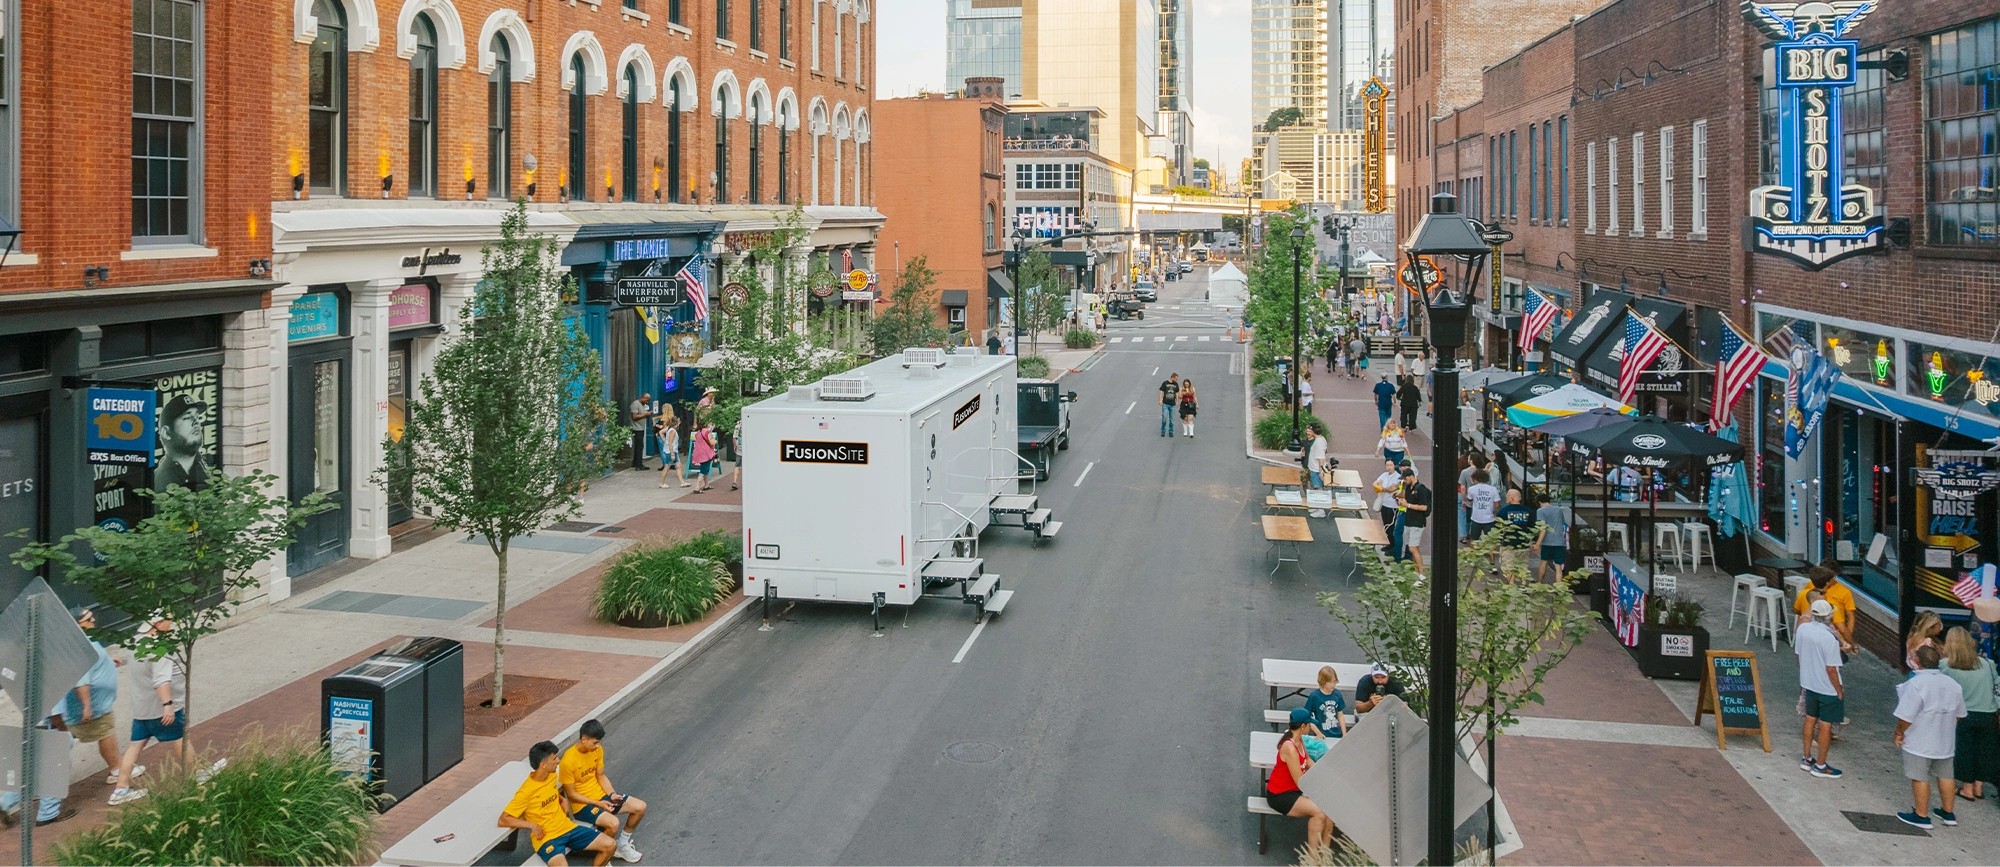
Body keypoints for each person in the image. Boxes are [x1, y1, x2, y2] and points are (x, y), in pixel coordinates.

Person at [502, 741, 615, 867]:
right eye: (554, 758)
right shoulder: (525, 792)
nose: (558, 761)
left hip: (568, 827)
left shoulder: (551, 776)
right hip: (548, 838)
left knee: (610, 845)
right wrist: (532, 825)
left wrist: (562, 799)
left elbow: (551, 792)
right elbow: (504, 819)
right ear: (543, 764)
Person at [1894, 645, 1967, 829]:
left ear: (1917, 661)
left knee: (1919, 776)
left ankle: (1921, 815)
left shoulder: (1916, 684)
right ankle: (1948, 813)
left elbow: (1906, 716)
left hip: (1920, 740)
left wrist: (1899, 732)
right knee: (1946, 776)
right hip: (1945, 741)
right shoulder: (1953, 684)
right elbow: (1959, 714)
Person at [65, 607, 132, 804]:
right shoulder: (80, 648)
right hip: (92, 707)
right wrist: (87, 706)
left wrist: (107, 662)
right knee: (105, 734)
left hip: (99, 704)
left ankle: (117, 766)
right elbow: (81, 681)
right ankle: (116, 769)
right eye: (88, 619)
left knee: (105, 732)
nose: (94, 620)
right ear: (78, 625)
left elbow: (94, 662)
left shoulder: (88, 641)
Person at [561, 720, 647, 862]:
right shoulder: (568, 761)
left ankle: (622, 844)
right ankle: (604, 855)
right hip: (583, 805)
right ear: (584, 739)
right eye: (595, 742)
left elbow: (600, 776)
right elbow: (572, 795)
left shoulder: (597, 750)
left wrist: (612, 794)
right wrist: (598, 803)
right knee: (613, 824)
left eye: (599, 742)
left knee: (640, 807)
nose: (598, 746)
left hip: (601, 796)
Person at [1940, 627, 1998, 803]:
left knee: (1964, 750)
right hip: (1988, 714)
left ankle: (1967, 788)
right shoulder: (1987, 664)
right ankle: (1979, 787)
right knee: (1983, 750)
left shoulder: (1945, 665)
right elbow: (1997, 683)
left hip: (1963, 715)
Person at [1267, 709, 1335, 849]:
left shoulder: (1299, 740)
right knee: (1319, 812)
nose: (1311, 727)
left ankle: (1325, 856)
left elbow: (1308, 761)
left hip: (1294, 790)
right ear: (1303, 726)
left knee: (1329, 808)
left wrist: (1325, 773)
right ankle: (1313, 859)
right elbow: (1300, 780)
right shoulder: (1289, 747)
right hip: (1280, 795)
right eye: (1309, 724)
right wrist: (1320, 788)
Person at [1795, 599, 1846, 780]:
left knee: (1809, 719)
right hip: (1827, 688)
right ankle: (1821, 765)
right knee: (1826, 725)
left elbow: (1799, 655)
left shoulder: (1803, 629)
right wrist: (1839, 690)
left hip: (1809, 683)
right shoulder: (1829, 638)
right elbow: (1831, 669)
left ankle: (1807, 757)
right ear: (1829, 616)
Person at [1791, 566, 1857, 653]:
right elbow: (1841, 628)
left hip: (1807, 639)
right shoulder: (1831, 602)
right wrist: (1852, 644)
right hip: (1826, 642)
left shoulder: (1804, 594)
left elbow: (1796, 610)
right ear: (1827, 583)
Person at [154, 395, 210, 493]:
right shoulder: (160, 479)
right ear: (166, 433)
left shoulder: (208, 466)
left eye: (197, 416)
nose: (196, 421)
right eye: (187, 417)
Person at [1532, 493, 1572, 583]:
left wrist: (1537, 543)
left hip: (1547, 542)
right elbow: (1562, 522)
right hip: (1559, 541)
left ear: (1539, 502)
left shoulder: (1540, 511)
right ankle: (1559, 586)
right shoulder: (1558, 510)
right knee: (1558, 566)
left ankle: (1539, 582)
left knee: (1544, 562)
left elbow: (1543, 528)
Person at [1397, 468, 1431, 573]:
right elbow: (1406, 499)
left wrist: (1408, 505)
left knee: (1413, 548)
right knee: (1413, 547)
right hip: (1409, 520)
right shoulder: (1408, 488)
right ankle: (1416, 571)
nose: (1404, 481)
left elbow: (1424, 507)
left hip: (1417, 522)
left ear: (1411, 477)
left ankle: (1421, 572)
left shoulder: (1421, 489)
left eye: (1405, 479)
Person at [1303, 666, 1349, 739]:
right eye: (1329, 682)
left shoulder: (1337, 694)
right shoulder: (1315, 696)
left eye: (1334, 682)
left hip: (1337, 734)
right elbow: (1307, 717)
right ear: (1323, 682)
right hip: (1322, 735)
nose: (1333, 685)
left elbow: (1340, 715)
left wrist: (1344, 734)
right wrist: (1318, 733)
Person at [1494, 488, 1536, 565]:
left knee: (1508, 568)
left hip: (1508, 545)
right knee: (1522, 569)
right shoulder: (1529, 511)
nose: (1506, 498)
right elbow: (1533, 528)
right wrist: (1533, 542)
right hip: (1523, 545)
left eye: (1507, 496)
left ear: (1511, 498)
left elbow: (1497, 528)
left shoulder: (1503, 511)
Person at [1464, 469, 1500, 542]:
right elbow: (1497, 505)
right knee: (1490, 540)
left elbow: (1469, 499)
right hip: (1489, 518)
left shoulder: (1471, 489)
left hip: (1476, 518)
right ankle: (1491, 553)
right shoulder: (1493, 489)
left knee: (1474, 539)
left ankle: (1474, 553)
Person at [655, 406, 684, 489]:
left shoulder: (668, 428)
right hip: (671, 451)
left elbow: (660, 432)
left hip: (671, 450)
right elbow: (670, 443)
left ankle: (682, 482)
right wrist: (672, 454)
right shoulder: (673, 431)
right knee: (667, 467)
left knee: (678, 465)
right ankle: (661, 483)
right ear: (676, 424)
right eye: (678, 422)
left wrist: (664, 440)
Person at [1373, 459, 1402, 534]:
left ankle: (1391, 543)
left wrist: (1381, 487)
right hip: (1384, 503)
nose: (1389, 467)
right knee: (1385, 523)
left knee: (1390, 525)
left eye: (1391, 465)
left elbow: (1392, 489)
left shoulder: (1398, 477)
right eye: (1387, 465)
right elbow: (1375, 483)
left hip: (1392, 505)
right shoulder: (1384, 475)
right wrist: (1382, 487)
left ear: (1394, 466)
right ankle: (1388, 542)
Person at [626, 393, 655, 471]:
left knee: (638, 446)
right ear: (643, 398)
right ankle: (639, 465)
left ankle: (635, 462)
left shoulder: (641, 405)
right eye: (647, 400)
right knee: (639, 446)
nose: (648, 402)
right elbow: (634, 416)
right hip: (636, 428)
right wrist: (646, 414)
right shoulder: (635, 404)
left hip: (640, 428)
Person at [688, 422, 717, 493]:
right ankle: (697, 487)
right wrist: (715, 440)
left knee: (705, 469)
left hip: (699, 453)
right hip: (706, 453)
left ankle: (706, 485)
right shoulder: (707, 432)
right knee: (703, 471)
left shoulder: (698, 432)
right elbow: (712, 442)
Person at [1158, 373, 1180, 438]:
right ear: (1172, 377)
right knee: (1164, 417)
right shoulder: (1165, 383)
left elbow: (1177, 392)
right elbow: (1161, 391)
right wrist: (1160, 400)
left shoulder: (1176, 385)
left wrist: (1177, 401)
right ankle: (1163, 430)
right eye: (1176, 379)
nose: (1176, 380)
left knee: (1172, 419)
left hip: (1172, 404)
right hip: (1165, 403)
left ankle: (1171, 431)